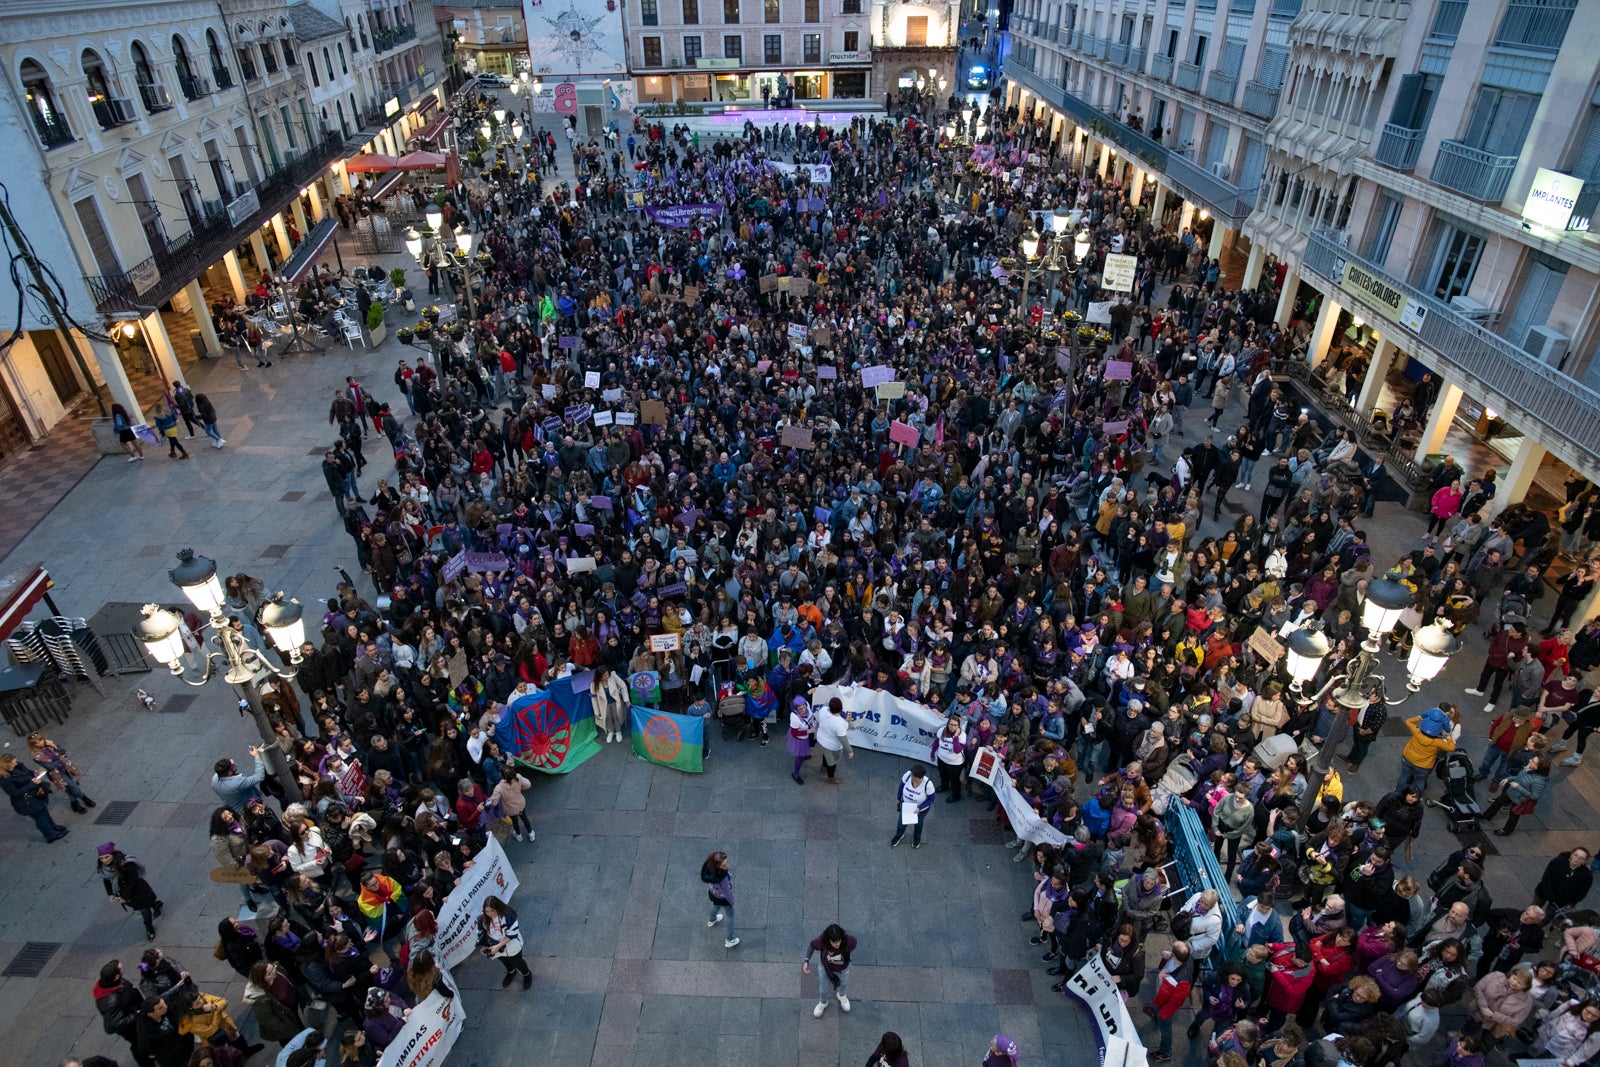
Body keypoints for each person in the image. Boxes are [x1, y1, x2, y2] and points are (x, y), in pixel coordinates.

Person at [94, 959, 154, 1067]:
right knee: (139, 1044)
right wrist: (136, 1015)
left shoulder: (114, 983)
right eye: (120, 970)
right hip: (132, 1027)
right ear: (116, 977)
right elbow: (111, 1026)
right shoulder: (111, 1000)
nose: (123, 970)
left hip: (138, 1014)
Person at [0, 751, 69, 842]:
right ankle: (50, 835)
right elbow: (14, 793)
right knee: (40, 818)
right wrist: (32, 784)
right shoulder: (5, 779)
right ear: (7, 765)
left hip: (34, 795)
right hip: (27, 802)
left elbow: (27, 772)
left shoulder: (17, 767)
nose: (16, 763)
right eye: (14, 763)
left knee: (44, 811)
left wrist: (35, 773)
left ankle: (53, 826)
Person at [1483, 754, 1550, 836]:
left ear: (1537, 767)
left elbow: (1534, 796)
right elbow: (1519, 777)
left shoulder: (1539, 781)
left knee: (1513, 815)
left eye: (1533, 761)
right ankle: (1487, 816)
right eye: (1532, 759)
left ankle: (1506, 831)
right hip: (1511, 792)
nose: (1530, 760)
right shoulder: (1528, 768)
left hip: (1520, 800)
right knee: (1498, 802)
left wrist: (1518, 787)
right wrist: (1508, 779)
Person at [478, 895, 532, 989]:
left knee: (518, 962)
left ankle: (527, 974)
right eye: (487, 911)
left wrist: (498, 946)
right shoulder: (482, 919)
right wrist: (484, 947)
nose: (490, 914)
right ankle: (511, 972)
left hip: (511, 945)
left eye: (492, 911)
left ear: (497, 908)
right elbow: (481, 934)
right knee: (504, 960)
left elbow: (512, 934)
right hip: (495, 947)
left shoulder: (508, 915)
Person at [803, 923, 856, 1018]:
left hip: (843, 969)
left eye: (838, 941)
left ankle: (842, 995)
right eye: (834, 942)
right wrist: (807, 960)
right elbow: (812, 945)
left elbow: (853, 943)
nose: (837, 944)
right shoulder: (822, 941)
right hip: (825, 969)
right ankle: (823, 1002)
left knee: (843, 983)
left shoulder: (849, 941)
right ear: (828, 940)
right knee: (822, 989)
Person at [112, 858, 164, 940]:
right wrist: (110, 895)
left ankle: (149, 927)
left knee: (145, 910)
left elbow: (133, 881)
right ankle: (156, 906)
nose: (104, 860)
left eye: (106, 857)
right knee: (147, 905)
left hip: (138, 892)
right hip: (128, 895)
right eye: (102, 858)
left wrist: (124, 897)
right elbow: (107, 882)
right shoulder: (105, 870)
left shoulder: (127, 864)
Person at [890, 763, 937, 848]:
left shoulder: (928, 784)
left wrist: (920, 808)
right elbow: (901, 786)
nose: (912, 779)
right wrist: (898, 799)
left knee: (918, 824)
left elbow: (931, 799)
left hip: (920, 810)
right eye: (912, 776)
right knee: (901, 823)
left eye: (914, 778)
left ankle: (917, 838)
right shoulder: (907, 775)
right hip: (906, 805)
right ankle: (899, 835)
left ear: (921, 778)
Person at [701, 851, 740, 949]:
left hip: (713, 894)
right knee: (730, 916)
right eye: (724, 865)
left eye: (726, 863)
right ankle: (729, 940)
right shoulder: (723, 879)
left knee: (715, 906)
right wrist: (732, 902)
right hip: (724, 899)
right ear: (717, 866)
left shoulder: (709, 870)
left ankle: (711, 920)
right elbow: (727, 892)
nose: (727, 866)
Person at [815, 696, 854, 783]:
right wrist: (850, 751)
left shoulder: (823, 710)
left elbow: (826, 703)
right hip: (832, 746)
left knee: (825, 753)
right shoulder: (840, 723)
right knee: (832, 762)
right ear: (841, 709)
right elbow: (843, 739)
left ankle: (823, 767)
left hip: (821, 739)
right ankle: (830, 778)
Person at [931, 714, 968, 802]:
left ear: (958, 726)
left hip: (955, 763)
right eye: (951, 724)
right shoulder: (942, 730)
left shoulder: (962, 735)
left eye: (955, 725)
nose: (952, 727)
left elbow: (957, 750)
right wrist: (932, 753)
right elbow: (936, 742)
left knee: (954, 779)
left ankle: (956, 795)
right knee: (943, 775)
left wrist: (955, 737)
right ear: (948, 724)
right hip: (941, 758)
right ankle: (944, 786)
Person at [787, 695, 817, 784]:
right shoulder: (794, 717)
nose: (803, 709)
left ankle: (805, 755)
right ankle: (795, 774)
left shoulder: (807, 704)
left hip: (809, 732)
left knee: (809, 746)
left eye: (804, 707)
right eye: (800, 708)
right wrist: (808, 731)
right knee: (799, 756)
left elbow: (811, 715)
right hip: (800, 738)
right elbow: (795, 734)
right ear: (795, 708)